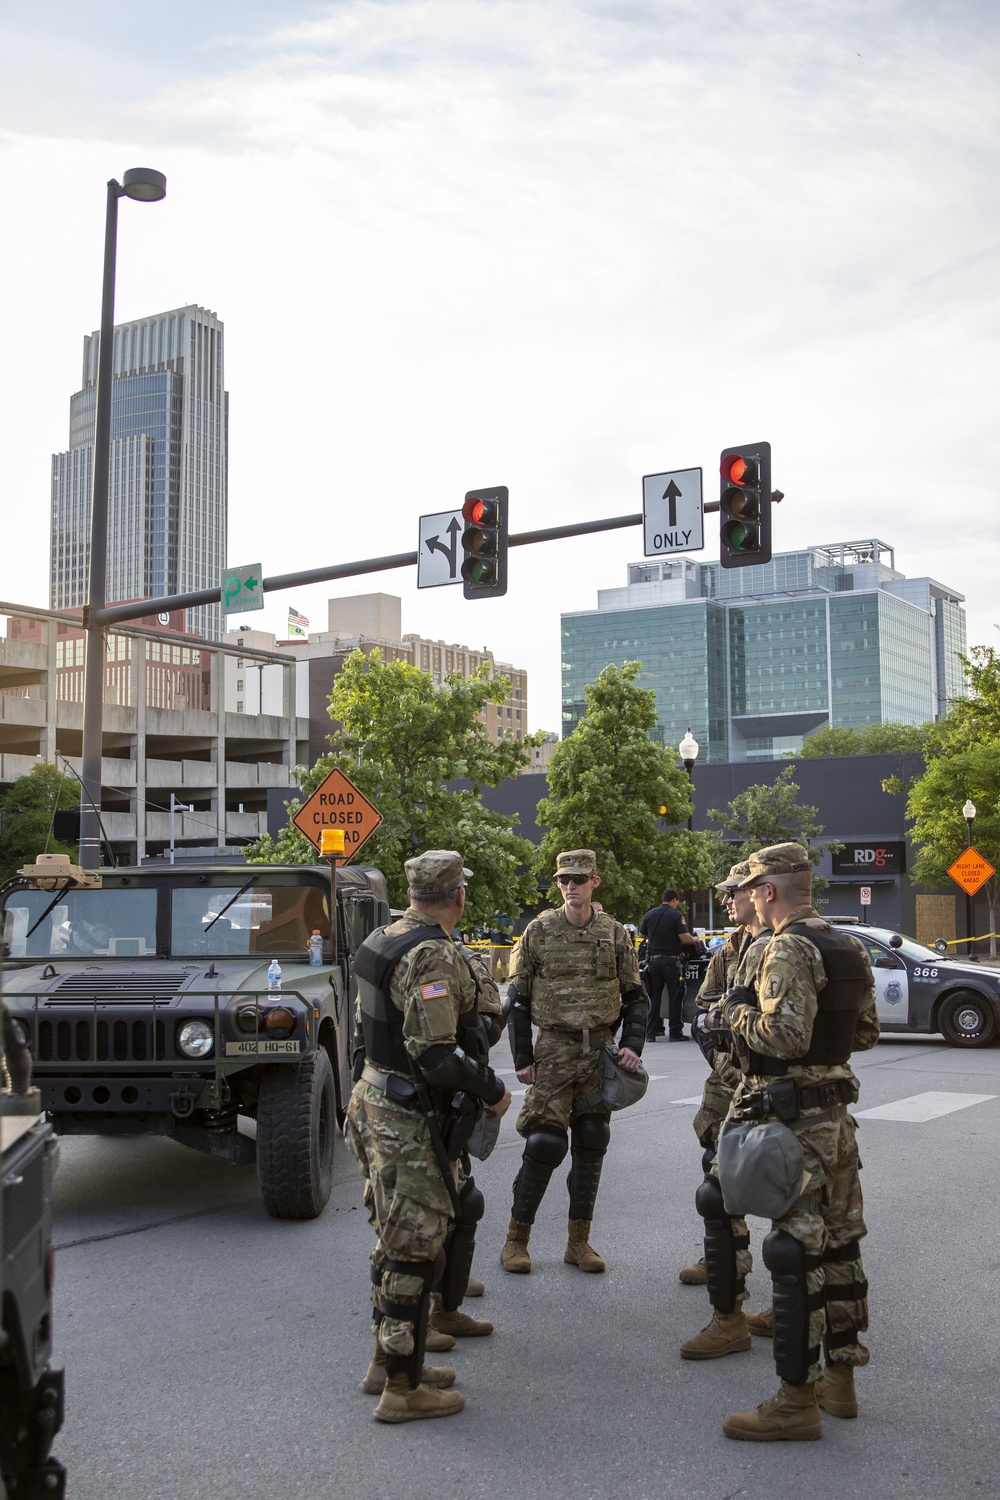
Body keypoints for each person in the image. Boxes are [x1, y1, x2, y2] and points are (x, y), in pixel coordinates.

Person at [705, 844, 878, 1442]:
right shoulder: (846, 944)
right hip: (837, 1122)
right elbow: (867, 1031)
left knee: (794, 1253)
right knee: (841, 1248)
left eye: (753, 889)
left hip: (794, 1123)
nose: (749, 898)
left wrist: (734, 1010)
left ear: (769, 891)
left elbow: (784, 1034)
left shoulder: (785, 947)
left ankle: (795, 1401)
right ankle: (841, 1381)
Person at [346, 850, 512, 1424]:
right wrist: (492, 1091)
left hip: (373, 1098)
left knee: (393, 1239)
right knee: (415, 1248)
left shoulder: (382, 938)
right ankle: (402, 1390)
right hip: (406, 1115)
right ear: (458, 896)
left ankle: (389, 1362)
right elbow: (438, 1055)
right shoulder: (433, 955)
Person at [500, 849, 647, 1275]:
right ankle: (516, 1239)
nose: (570, 886)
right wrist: (523, 1057)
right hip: (554, 1049)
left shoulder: (615, 934)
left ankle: (579, 1242)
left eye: (579, 879)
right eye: (564, 879)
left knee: (592, 1139)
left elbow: (636, 997)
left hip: (598, 1048)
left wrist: (632, 1044)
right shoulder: (539, 931)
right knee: (545, 1143)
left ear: (594, 882)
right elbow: (519, 1000)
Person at [679, 864, 773, 1343]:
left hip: (770, 1083)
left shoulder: (781, 944)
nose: (728, 901)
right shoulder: (729, 949)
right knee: (715, 1176)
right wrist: (723, 1058)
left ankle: (783, 1297)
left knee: (784, 1180)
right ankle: (724, 1258)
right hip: (726, 1082)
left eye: (733, 892)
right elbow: (704, 1009)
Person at [639, 888, 701, 1041]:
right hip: (671, 963)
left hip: (653, 963)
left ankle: (650, 1034)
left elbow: (642, 935)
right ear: (674, 900)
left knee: (654, 998)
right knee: (675, 997)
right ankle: (675, 1033)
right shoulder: (676, 915)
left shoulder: (650, 914)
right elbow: (685, 938)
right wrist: (696, 940)